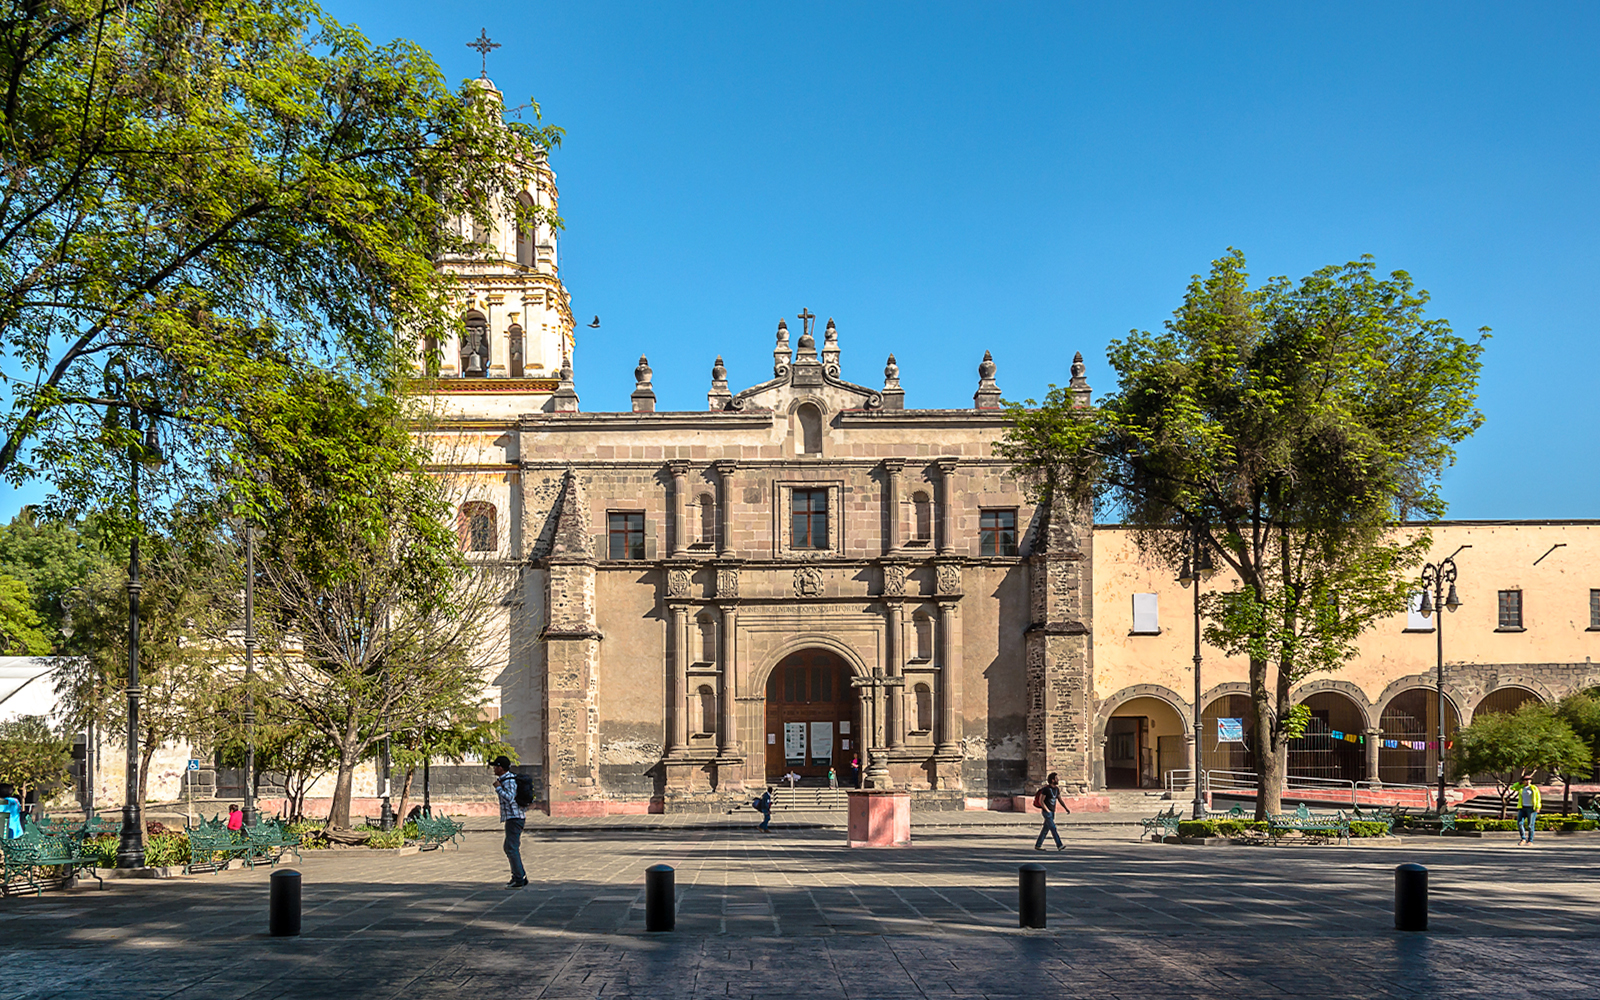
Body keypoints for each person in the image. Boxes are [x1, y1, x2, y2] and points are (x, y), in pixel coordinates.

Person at [489, 755, 527, 887]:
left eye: (495, 766)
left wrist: (498, 788)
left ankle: (519, 878)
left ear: (501, 768)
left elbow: (510, 798)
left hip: (515, 817)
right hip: (512, 817)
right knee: (509, 847)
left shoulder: (509, 780)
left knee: (511, 848)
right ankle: (518, 874)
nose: (494, 769)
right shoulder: (505, 779)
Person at [1034, 772, 1068, 851]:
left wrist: (1066, 808)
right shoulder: (1046, 789)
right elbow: (1041, 801)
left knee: (1045, 829)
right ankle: (1059, 845)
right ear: (1052, 780)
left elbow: (1060, 799)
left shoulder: (1056, 789)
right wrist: (1047, 810)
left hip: (1052, 812)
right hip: (1047, 812)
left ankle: (1038, 845)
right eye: (1056, 778)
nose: (1058, 779)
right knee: (1053, 828)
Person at [1514, 772, 1542, 846]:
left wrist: (1538, 807)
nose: (1528, 781)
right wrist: (1519, 783)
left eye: (1529, 780)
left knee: (1530, 825)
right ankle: (1523, 838)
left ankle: (1530, 840)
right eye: (1526, 780)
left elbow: (1538, 798)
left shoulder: (1534, 788)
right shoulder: (1521, 788)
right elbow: (1513, 788)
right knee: (1519, 823)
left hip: (1531, 808)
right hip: (1523, 807)